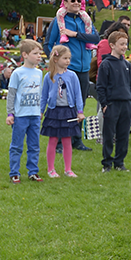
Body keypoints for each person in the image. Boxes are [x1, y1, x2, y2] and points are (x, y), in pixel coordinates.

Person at [45, 0, 99, 151]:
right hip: (67, 70)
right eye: (72, 1)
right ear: (65, 3)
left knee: (79, 105)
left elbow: (96, 38)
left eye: (78, 0)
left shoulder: (85, 20)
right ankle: (60, 142)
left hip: (83, 70)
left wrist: (75, 34)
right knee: (64, 105)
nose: (76, 3)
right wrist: (54, 63)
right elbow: (48, 44)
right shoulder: (59, 21)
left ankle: (76, 140)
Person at [40, 45, 84, 178]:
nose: (68, 61)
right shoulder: (49, 76)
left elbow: (78, 94)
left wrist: (80, 111)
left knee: (67, 140)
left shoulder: (72, 76)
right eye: (65, 58)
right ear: (55, 59)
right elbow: (43, 96)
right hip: (53, 112)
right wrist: (41, 111)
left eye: (69, 58)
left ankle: (68, 169)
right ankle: (51, 169)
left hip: (68, 111)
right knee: (52, 140)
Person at [6, 40, 44, 183]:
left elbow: (39, 93)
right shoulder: (17, 73)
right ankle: (14, 172)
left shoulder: (39, 73)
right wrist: (10, 114)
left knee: (34, 146)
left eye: (40, 53)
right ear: (25, 55)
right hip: (20, 116)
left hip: (34, 116)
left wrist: (40, 110)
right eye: (35, 53)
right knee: (16, 146)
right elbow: (11, 95)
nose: (39, 56)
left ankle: (33, 172)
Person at [97, 31, 131, 173]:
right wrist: (104, 104)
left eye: (126, 44)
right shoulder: (106, 64)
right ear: (112, 45)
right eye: (121, 44)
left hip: (126, 104)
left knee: (123, 135)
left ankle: (119, 162)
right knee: (108, 135)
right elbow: (100, 86)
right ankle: (107, 163)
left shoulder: (126, 64)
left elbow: (130, 85)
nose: (125, 47)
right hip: (112, 104)